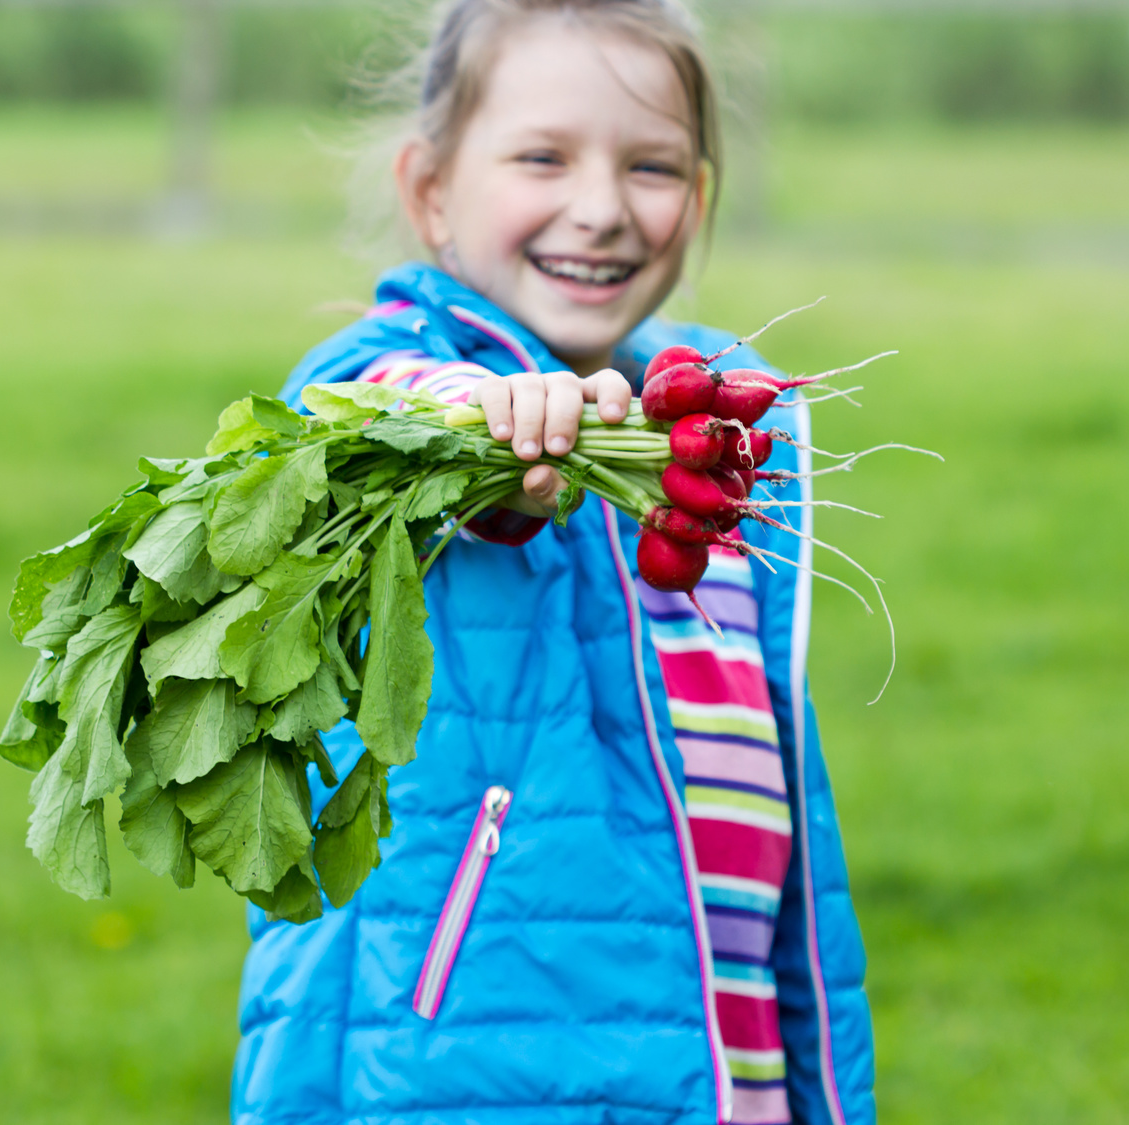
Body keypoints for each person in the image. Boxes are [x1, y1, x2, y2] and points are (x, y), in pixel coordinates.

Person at [236, 1, 873, 1122]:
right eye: (541, 157)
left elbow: (794, 866)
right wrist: (487, 424)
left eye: (653, 167)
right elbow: (379, 415)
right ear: (429, 190)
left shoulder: (713, 444)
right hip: (452, 1076)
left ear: (703, 196)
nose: (601, 209)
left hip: (722, 1078)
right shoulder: (386, 389)